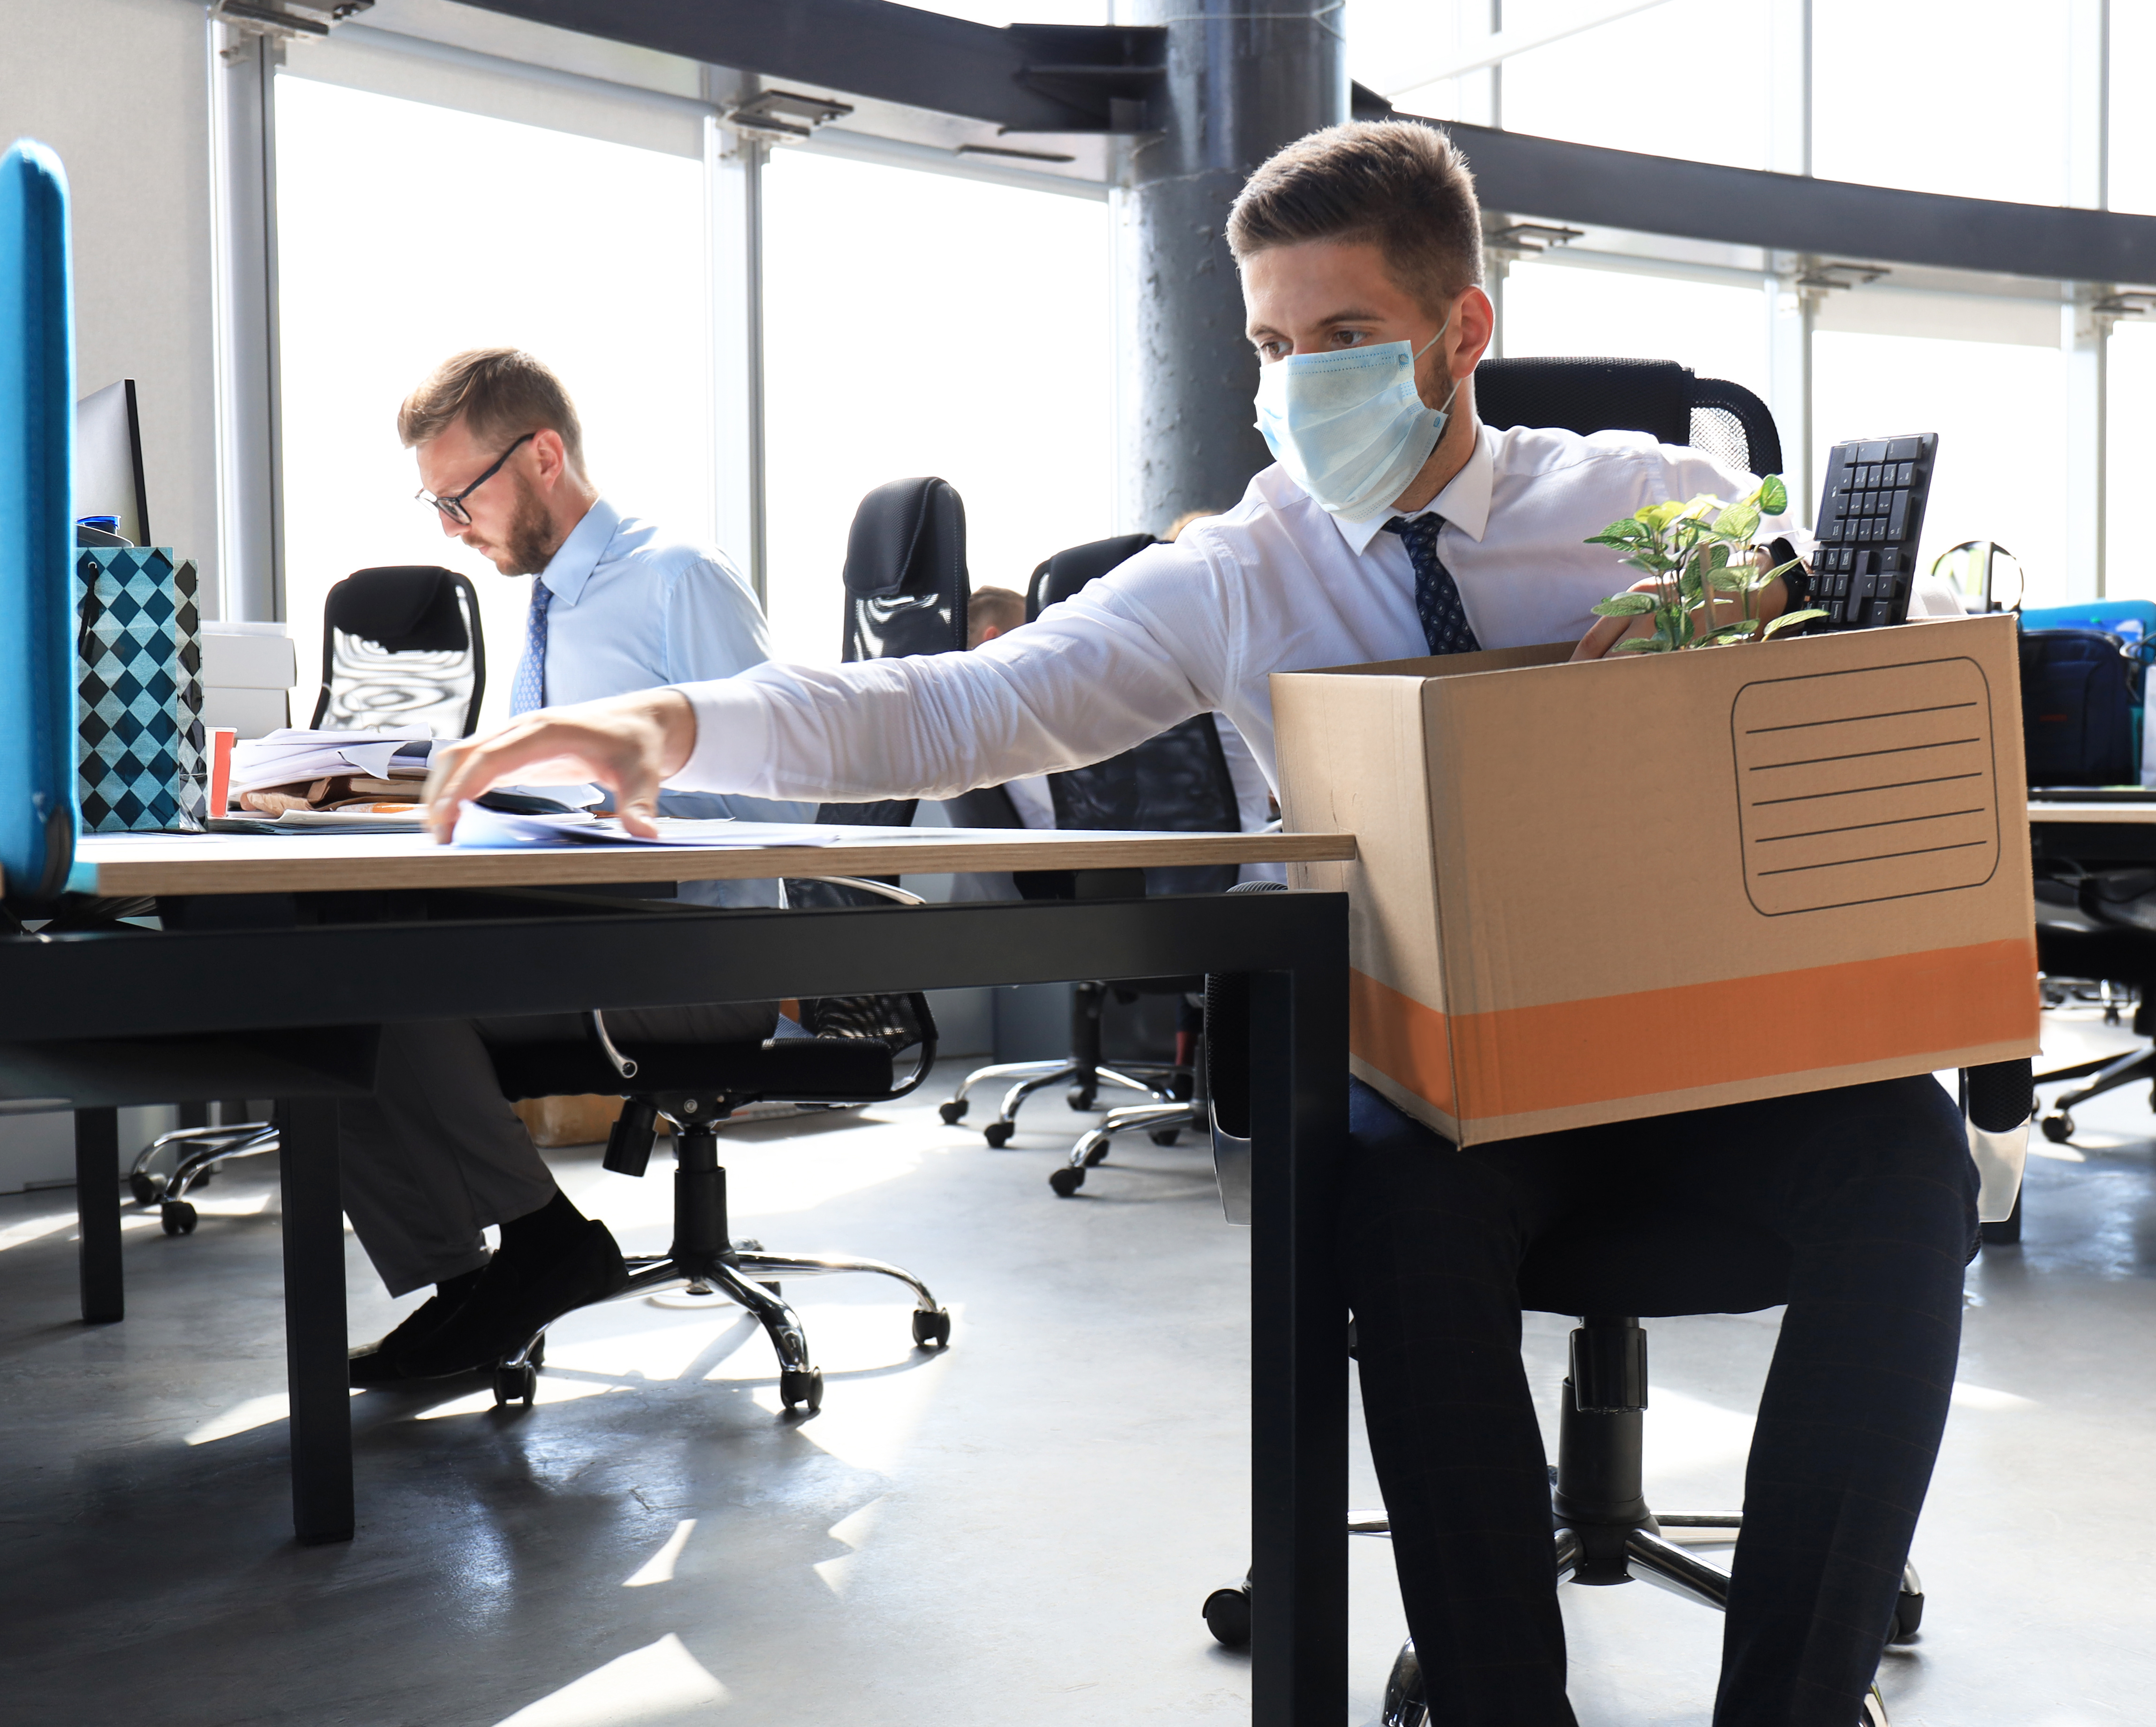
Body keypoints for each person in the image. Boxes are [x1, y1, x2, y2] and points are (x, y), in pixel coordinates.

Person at [419, 124, 1971, 1726]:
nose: (1302, 385)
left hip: (1683, 1040)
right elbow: (962, 704)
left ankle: (1793, 1701)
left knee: (1908, 1161)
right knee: (1395, 1205)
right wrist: (667, 726)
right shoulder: (1237, 573)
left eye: (1348, 339)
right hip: (1432, 1080)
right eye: (1272, 345)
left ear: (1463, 332)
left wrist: (1760, 600)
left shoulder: (1650, 496)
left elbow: (1913, 624)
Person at [342, 350, 806, 1387]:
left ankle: (539, 1245)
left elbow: (783, 795)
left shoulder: (676, 578)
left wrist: (606, 798)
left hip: (702, 958)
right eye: (436, 502)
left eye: (461, 496)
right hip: (589, 931)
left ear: (543, 454)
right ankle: (473, 1279)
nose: (451, 527)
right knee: (323, 971)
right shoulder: (553, 603)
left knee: (367, 977)